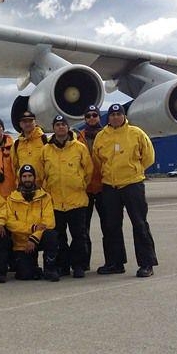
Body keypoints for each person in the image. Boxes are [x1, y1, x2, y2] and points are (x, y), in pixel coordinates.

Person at [91, 103, 158, 278]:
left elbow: (149, 157)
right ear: (108, 118)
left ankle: (146, 263)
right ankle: (115, 262)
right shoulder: (101, 136)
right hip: (110, 186)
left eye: (118, 114)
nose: (115, 117)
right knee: (111, 226)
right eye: (112, 115)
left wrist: (134, 170)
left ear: (123, 116)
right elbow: (97, 160)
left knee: (139, 223)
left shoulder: (136, 133)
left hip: (132, 184)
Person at [42, 115, 94, 278]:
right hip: (55, 201)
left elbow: (89, 170)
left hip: (76, 200)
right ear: (53, 127)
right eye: (57, 125)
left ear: (68, 127)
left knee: (79, 236)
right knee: (59, 236)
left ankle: (78, 265)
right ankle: (63, 266)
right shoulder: (46, 150)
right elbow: (42, 174)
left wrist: (79, 185)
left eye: (63, 124)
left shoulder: (79, 147)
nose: (61, 127)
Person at [6, 165, 59, 282]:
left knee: (52, 234)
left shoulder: (45, 197)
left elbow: (49, 222)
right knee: (25, 275)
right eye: (24, 176)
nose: (27, 179)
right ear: (20, 179)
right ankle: (33, 267)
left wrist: (34, 237)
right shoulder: (11, 199)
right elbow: (10, 223)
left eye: (30, 176)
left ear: (34, 178)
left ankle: (50, 269)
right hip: (21, 243)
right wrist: (32, 228)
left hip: (39, 239)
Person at [76, 104, 105, 270]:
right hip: (85, 189)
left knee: (109, 227)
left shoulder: (107, 135)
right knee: (82, 229)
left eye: (95, 115)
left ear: (99, 117)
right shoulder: (79, 137)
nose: (92, 118)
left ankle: (113, 261)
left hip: (104, 187)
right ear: (84, 119)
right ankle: (83, 262)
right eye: (88, 116)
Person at [12, 110, 47, 179]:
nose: (27, 124)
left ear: (35, 122)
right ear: (20, 124)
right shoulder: (16, 144)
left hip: (42, 187)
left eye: (30, 121)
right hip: (24, 186)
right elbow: (15, 166)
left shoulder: (44, 140)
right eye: (24, 121)